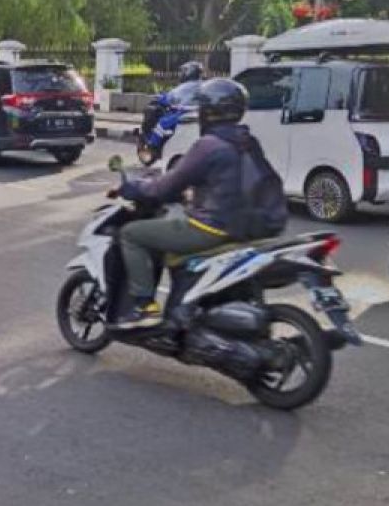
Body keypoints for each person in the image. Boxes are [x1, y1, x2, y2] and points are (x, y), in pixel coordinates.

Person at [112, 78, 278, 329]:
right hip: (251, 228)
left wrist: (132, 187)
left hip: (212, 229)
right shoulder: (247, 142)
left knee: (131, 234)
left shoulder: (208, 145)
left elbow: (165, 186)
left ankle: (144, 306)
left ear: (207, 112)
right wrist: (194, 193)